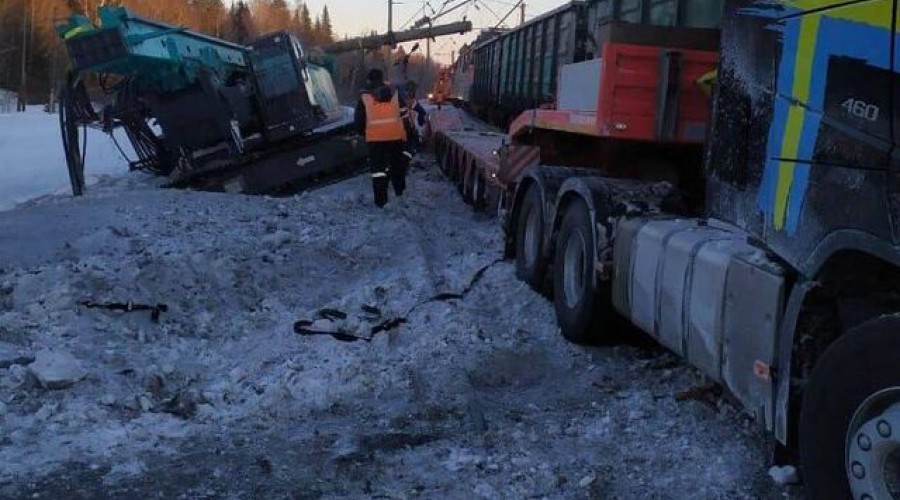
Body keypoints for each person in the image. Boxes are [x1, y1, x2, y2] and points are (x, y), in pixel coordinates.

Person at [354, 69, 410, 208]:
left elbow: (359, 119)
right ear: (382, 78)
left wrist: (362, 133)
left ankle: (381, 201)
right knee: (396, 165)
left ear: (368, 80)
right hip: (395, 136)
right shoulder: (394, 92)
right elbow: (404, 114)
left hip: (375, 138)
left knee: (378, 170)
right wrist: (406, 130)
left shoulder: (365, 96)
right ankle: (399, 192)